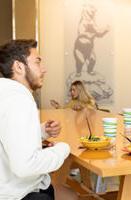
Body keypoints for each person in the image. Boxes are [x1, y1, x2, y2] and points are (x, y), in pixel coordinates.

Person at [0, 39, 77, 200]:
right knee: (70, 195)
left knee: (69, 194)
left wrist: (41, 131)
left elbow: (8, 134)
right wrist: (62, 149)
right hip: (18, 193)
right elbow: (25, 166)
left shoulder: (5, 93)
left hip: (7, 186)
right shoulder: (19, 101)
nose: (44, 69)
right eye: (37, 62)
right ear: (19, 67)